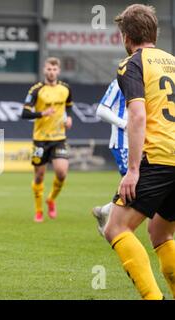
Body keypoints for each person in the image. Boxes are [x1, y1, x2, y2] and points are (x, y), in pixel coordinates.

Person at [103, 4, 175, 300]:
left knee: (115, 227)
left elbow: (137, 116)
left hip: (157, 158)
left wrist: (133, 170)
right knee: (160, 232)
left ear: (126, 36)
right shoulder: (172, 61)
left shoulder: (132, 63)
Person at [22, 57, 73, 222]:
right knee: (39, 177)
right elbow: (24, 113)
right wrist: (42, 113)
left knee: (62, 173)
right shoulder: (36, 90)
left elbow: (69, 106)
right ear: (45, 70)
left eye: (54, 69)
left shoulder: (65, 89)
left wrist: (69, 118)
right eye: (49, 69)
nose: (51, 72)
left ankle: (51, 199)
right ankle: (38, 210)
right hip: (40, 139)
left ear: (58, 71)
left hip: (59, 138)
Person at [92, 80, 128, 236]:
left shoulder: (150, 78)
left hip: (145, 141)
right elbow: (101, 110)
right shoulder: (121, 81)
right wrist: (125, 124)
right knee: (135, 186)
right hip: (124, 142)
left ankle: (105, 211)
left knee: (140, 187)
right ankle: (113, 227)